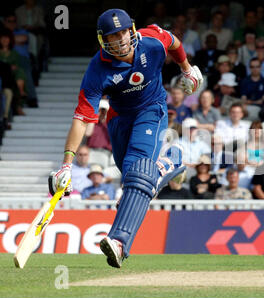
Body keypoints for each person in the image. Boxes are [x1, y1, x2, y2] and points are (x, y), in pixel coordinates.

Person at [48, 9, 203, 268]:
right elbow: (81, 118)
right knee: (134, 177)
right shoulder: (97, 70)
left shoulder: (151, 41)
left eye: (123, 33)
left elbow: (174, 42)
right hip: (119, 120)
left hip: (152, 109)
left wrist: (187, 69)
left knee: (138, 176)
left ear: (131, 30)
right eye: (112, 36)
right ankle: (171, 162)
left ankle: (119, 241)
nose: (120, 40)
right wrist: (67, 164)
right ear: (102, 40)